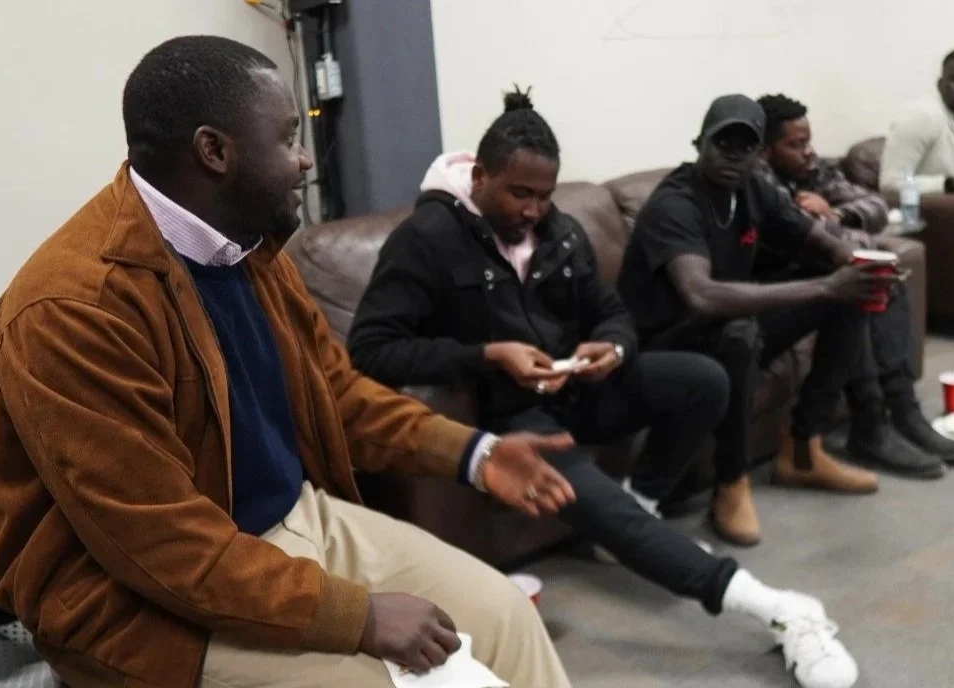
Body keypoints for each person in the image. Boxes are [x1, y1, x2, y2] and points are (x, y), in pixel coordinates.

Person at [0, 37, 578, 688]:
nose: (301, 161)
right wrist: (356, 616)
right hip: (133, 599)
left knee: (503, 616)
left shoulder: (249, 249)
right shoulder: (73, 307)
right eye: (288, 136)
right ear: (214, 150)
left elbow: (338, 396)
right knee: (379, 682)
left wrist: (478, 453)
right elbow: (160, 545)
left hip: (296, 520)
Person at [348, 87, 859, 688]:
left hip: (582, 388)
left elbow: (610, 311)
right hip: (516, 417)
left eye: (544, 196)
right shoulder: (427, 238)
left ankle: (640, 503)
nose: (533, 210)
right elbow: (371, 348)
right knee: (602, 502)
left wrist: (611, 347)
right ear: (480, 176)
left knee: (705, 379)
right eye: (519, 194)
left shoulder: (558, 230)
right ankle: (777, 609)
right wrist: (488, 355)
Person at [618, 94, 904, 542]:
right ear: (699, 143)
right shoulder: (675, 204)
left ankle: (803, 450)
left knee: (849, 294)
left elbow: (819, 239)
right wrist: (825, 285)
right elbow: (702, 296)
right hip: (664, 345)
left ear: (759, 153)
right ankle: (731, 483)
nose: (733, 155)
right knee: (741, 330)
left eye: (745, 146)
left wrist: (861, 263)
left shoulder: (753, 189)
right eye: (722, 143)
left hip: (720, 330)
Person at [756, 93, 954, 469]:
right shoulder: (757, 183)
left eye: (809, 142)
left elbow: (875, 206)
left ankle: (902, 410)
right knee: (858, 285)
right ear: (766, 150)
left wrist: (833, 211)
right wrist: (836, 228)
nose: (808, 153)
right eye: (795, 145)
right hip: (775, 289)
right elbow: (799, 239)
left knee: (884, 275)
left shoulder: (811, 170)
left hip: (815, 273)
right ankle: (868, 425)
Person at [880, 49, 954, 195]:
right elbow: (890, 184)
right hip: (919, 211)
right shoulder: (922, 116)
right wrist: (949, 184)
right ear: (940, 85)